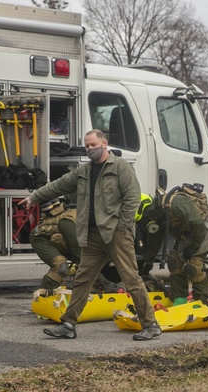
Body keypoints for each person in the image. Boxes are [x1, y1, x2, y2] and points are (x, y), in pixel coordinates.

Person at [27, 129, 160, 341]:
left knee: (131, 279)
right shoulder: (84, 172)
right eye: (87, 146)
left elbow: (133, 198)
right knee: (82, 279)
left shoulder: (121, 168)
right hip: (93, 236)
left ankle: (150, 324)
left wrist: (123, 226)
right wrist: (34, 197)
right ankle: (68, 324)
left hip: (117, 234)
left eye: (93, 145)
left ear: (104, 144)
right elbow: (59, 185)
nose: (89, 149)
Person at [140, 184, 208, 304]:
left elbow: (198, 225)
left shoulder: (175, 204)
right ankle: (180, 299)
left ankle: (200, 302)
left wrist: (193, 247)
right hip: (188, 231)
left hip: (204, 228)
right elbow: (156, 240)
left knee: (194, 267)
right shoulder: (158, 215)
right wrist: (148, 263)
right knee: (174, 262)